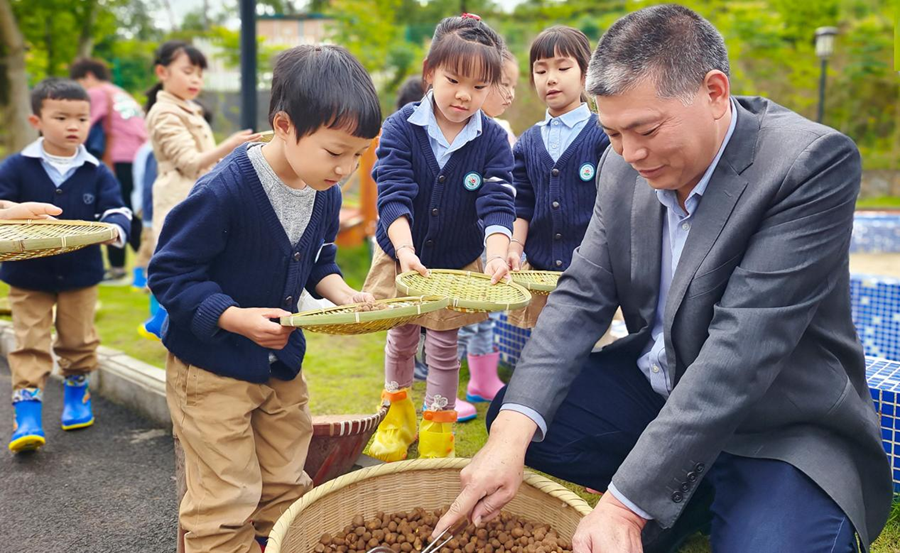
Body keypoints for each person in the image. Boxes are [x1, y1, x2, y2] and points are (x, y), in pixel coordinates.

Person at [434, 5, 892, 553]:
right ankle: (689, 491)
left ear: (715, 92)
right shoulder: (620, 165)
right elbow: (582, 298)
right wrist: (507, 440)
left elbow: (740, 353)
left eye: (645, 130)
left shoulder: (807, 164)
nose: (631, 154)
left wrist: (624, 505)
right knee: (519, 416)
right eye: (613, 133)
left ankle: (700, 492)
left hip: (778, 422)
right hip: (661, 386)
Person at [148, 44, 381, 553]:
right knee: (224, 497)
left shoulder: (325, 190)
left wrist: (342, 293)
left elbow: (318, 261)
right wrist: (233, 317)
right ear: (282, 125)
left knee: (285, 482)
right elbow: (169, 273)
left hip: (279, 367)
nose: (345, 168)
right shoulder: (223, 190)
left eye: (358, 155)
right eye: (335, 151)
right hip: (211, 369)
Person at [363, 13, 515, 461]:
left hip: (456, 259)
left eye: (480, 86)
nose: (464, 95)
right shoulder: (400, 127)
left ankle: (437, 425)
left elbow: (498, 203)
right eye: (453, 80)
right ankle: (397, 415)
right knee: (402, 333)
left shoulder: (493, 140)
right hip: (401, 252)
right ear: (430, 72)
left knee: (447, 345)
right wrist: (406, 251)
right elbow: (393, 193)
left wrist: (496, 255)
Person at [0, 78, 130, 453]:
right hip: (26, 275)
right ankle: (26, 409)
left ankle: (77, 389)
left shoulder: (97, 171)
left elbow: (117, 209)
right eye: (61, 117)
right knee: (29, 340)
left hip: (80, 273)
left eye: (82, 118)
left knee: (78, 338)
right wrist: (15, 213)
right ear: (36, 119)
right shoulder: (16, 167)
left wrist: (112, 229)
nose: (73, 125)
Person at [141, 40, 260, 340]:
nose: (196, 80)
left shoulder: (189, 109)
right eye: (188, 71)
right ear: (161, 72)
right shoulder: (164, 112)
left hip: (196, 191)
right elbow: (190, 163)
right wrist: (230, 146)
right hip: (180, 193)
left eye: (200, 74)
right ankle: (163, 318)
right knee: (177, 258)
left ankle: (166, 318)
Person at [506, 26, 610, 332]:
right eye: (540, 71)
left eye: (563, 68)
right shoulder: (527, 142)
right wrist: (514, 248)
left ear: (585, 74)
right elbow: (521, 204)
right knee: (542, 349)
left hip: (590, 275)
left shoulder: (603, 134)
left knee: (590, 352)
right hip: (538, 275)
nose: (551, 78)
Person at [457, 46, 520, 405]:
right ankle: (452, 381)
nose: (510, 93)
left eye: (513, 85)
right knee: (457, 314)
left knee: (485, 311)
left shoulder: (501, 131)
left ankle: (482, 378)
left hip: (492, 237)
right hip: (468, 237)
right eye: (503, 84)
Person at [70, 57, 147, 282]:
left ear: (88, 76)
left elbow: (83, 123)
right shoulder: (119, 92)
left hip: (118, 157)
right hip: (138, 156)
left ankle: (139, 264)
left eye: (79, 82)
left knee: (117, 208)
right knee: (130, 209)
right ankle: (132, 264)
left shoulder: (96, 93)